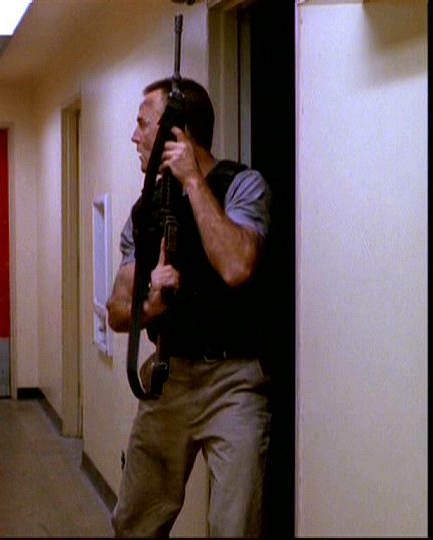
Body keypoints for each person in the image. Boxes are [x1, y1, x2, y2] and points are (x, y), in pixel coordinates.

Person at [106, 78, 272, 537]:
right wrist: (152, 304)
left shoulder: (242, 186)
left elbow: (237, 266)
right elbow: (117, 311)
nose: (134, 137)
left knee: (235, 526)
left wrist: (194, 181)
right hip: (169, 377)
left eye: (143, 125)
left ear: (176, 133)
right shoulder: (145, 212)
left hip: (234, 382)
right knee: (135, 522)